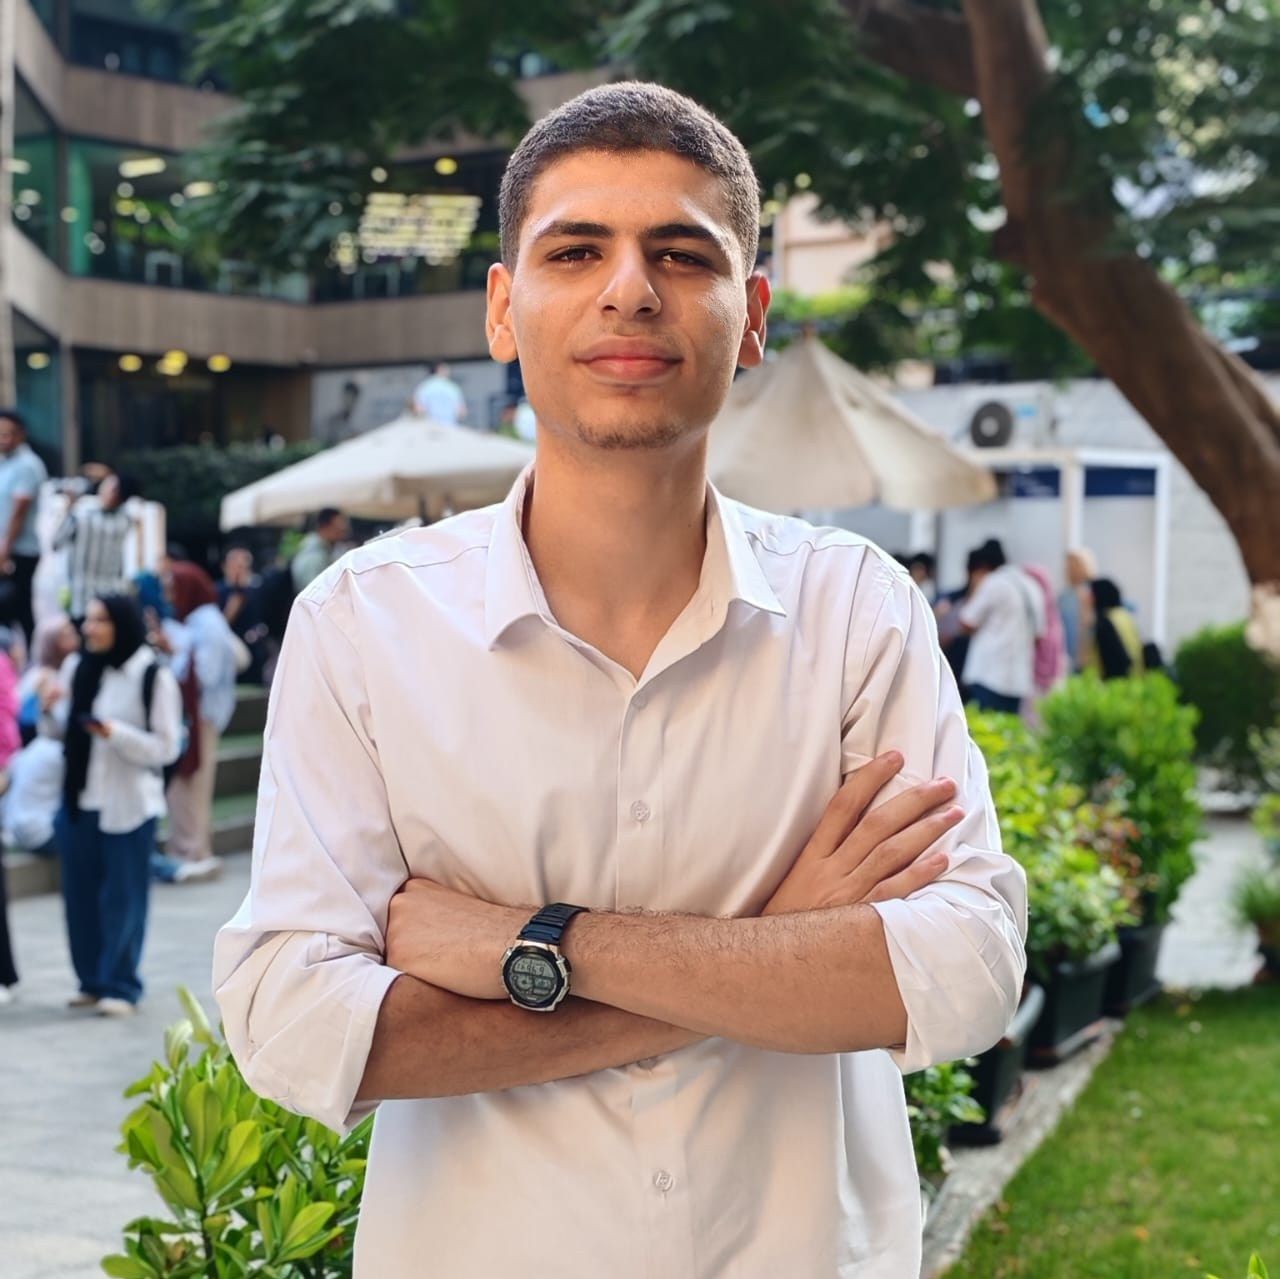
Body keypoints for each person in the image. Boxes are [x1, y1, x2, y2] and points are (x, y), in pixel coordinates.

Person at [214, 82, 1026, 1278]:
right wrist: (777, 946)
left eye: (681, 254)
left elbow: (964, 972)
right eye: (575, 250)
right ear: (503, 309)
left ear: (750, 317)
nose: (630, 289)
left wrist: (529, 946)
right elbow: (291, 1024)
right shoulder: (365, 625)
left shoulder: (854, 606)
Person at [47, 593, 181, 1015]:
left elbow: (167, 748)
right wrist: (50, 711)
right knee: (80, 899)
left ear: (120, 624)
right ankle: (91, 980)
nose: (89, 629)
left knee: (124, 899)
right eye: (88, 620)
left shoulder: (152, 675)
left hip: (129, 805)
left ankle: (121, 985)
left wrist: (116, 734)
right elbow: (61, 732)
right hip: (80, 799)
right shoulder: (78, 666)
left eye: (100, 620)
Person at [164, 561, 242, 880]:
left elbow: (205, 673)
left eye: (174, 589)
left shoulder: (207, 624)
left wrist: (175, 652)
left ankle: (193, 850)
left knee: (194, 785)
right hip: (196, 715)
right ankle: (189, 847)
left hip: (202, 716)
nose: (170, 596)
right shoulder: (199, 620)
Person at [957, 539, 1045, 714]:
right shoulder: (1032, 586)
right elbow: (1038, 636)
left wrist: (975, 587)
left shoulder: (993, 583)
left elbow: (966, 622)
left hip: (988, 676)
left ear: (981, 567)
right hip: (1018, 679)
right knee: (1008, 728)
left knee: (984, 727)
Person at [53, 471, 141, 625]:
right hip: (108, 600)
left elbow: (56, 542)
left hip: (81, 598)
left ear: (115, 491)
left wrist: (70, 508)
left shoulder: (82, 514)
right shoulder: (126, 519)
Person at [0, 409, 49, 645]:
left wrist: (5, 551)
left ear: (20, 434)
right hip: (8, 548)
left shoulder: (27, 465)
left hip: (20, 550)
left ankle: (30, 653)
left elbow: (19, 513)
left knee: (19, 607)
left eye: (7, 434)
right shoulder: (6, 462)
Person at [219, 546, 268, 683]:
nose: (238, 571)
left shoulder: (257, 590)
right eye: (235, 566)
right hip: (229, 651)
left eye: (243, 567)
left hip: (253, 651)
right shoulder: (218, 591)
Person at [1087, 577, 1146, 679]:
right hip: (1135, 677)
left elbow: (1112, 661)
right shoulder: (1124, 615)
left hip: (1118, 681)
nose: (1088, 599)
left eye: (1091, 595)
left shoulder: (1106, 622)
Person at [1058, 546, 1098, 672]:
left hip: (1092, 658)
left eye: (1074, 565)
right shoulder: (1064, 597)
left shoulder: (1096, 591)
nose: (1069, 570)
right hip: (1070, 659)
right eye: (1068, 566)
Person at [290, 508, 349, 593]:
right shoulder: (315, 557)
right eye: (340, 525)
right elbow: (315, 593)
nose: (344, 529)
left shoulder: (320, 551)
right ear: (325, 526)